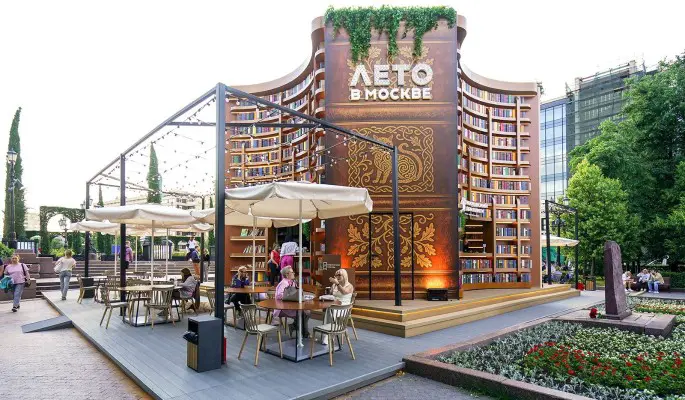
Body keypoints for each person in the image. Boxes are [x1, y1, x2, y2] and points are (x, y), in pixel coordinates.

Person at [321, 269, 355, 345]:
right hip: (334, 305)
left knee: (330, 310)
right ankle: (329, 333)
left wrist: (337, 283)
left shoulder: (349, 286)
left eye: (339, 275)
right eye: (336, 275)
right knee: (329, 309)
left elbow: (344, 292)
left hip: (344, 308)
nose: (337, 276)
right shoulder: (334, 285)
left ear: (345, 276)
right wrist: (330, 290)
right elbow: (331, 295)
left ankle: (329, 334)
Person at [274, 266, 309, 338]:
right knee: (302, 313)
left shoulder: (292, 282)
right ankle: (305, 333)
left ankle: (293, 326)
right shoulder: (283, 283)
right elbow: (279, 296)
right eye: (292, 272)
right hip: (282, 308)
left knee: (307, 312)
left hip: (291, 306)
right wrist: (289, 296)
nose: (294, 273)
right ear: (287, 274)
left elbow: (295, 293)